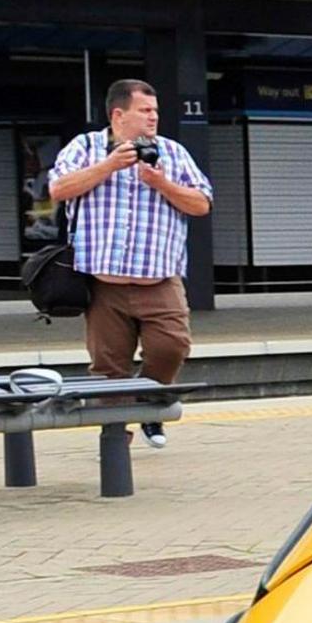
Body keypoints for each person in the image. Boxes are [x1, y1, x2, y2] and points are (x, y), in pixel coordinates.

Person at [45, 79, 211, 445]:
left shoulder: (173, 152)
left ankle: (151, 405)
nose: (153, 117)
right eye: (145, 111)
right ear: (118, 114)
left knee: (172, 347)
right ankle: (116, 436)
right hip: (105, 285)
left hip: (160, 279)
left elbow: (201, 204)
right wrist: (108, 166)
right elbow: (57, 189)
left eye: (155, 111)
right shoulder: (86, 147)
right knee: (108, 368)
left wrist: (162, 184)